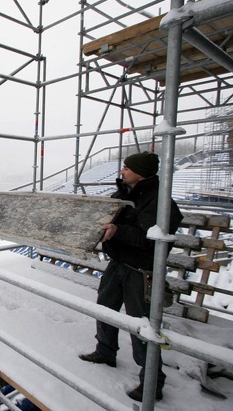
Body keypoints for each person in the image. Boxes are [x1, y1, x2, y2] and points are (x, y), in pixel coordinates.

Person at [78, 151, 183, 402]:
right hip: (118, 264)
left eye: (126, 168)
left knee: (142, 325)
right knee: (105, 309)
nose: (121, 171)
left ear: (141, 172)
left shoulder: (160, 201)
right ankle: (105, 352)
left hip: (140, 270)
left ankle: (152, 382)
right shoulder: (125, 193)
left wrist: (118, 230)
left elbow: (150, 239)